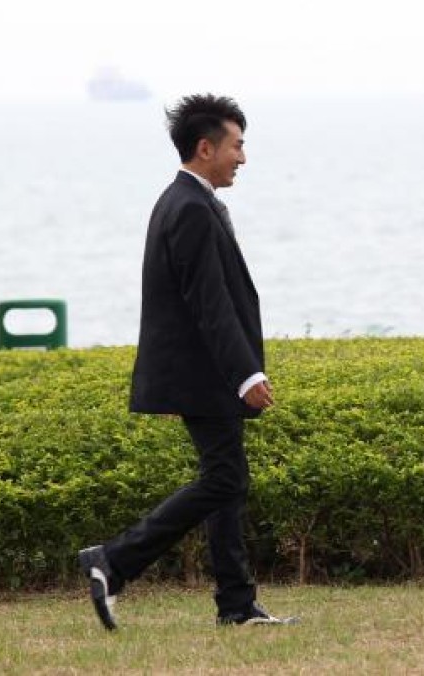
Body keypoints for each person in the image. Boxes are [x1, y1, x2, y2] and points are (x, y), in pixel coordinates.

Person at [78, 94, 296, 630]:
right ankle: (113, 561)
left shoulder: (181, 200)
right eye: (237, 146)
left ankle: (237, 603)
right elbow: (209, 303)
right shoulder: (191, 208)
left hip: (200, 375)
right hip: (208, 376)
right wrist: (246, 374)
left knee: (227, 479)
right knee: (224, 480)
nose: (243, 158)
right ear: (206, 148)